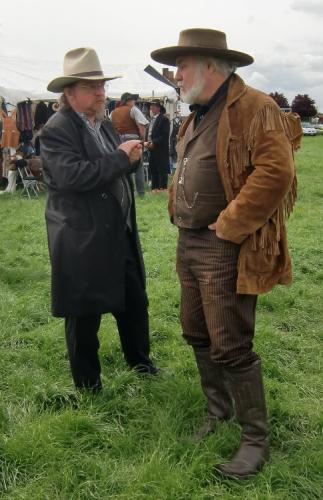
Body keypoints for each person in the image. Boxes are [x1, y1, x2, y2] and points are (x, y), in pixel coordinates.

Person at [150, 29, 301, 478]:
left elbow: (276, 170)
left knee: (231, 343)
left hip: (224, 244)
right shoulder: (195, 115)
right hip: (189, 239)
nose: (175, 75)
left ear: (209, 66)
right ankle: (219, 412)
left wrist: (232, 224)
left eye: (182, 66)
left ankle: (256, 440)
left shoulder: (255, 107)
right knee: (195, 332)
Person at [40, 47, 157, 393]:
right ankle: (88, 386)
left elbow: (109, 166)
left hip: (116, 231)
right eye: (93, 87)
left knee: (134, 302)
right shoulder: (56, 129)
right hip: (83, 237)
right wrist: (121, 160)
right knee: (83, 315)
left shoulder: (102, 124)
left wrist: (130, 159)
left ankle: (141, 363)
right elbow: (71, 177)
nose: (101, 92)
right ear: (70, 92)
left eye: (102, 85)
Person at [111, 92, 149, 198]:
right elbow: (142, 124)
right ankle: (141, 193)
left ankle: (128, 192)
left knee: (124, 166)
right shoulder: (133, 109)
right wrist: (142, 139)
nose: (134, 102)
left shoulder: (113, 112)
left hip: (118, 141)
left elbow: (110, 126)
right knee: (138, 167)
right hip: (133, 139)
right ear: (128, 101)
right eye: (132, 99)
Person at [144, 99, 170, 192]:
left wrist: (153, 142)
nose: (151, 108)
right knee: (153, 169)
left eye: (153, 106)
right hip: (152, 148)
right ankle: (154, 189)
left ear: (158, 108)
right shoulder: (152, 119)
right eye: (151, 106)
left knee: (161, 170)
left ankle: (162, 189)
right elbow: (150, 133)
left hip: (161, 149)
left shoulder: (164, 119)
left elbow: (165, 135)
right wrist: (147, 142)